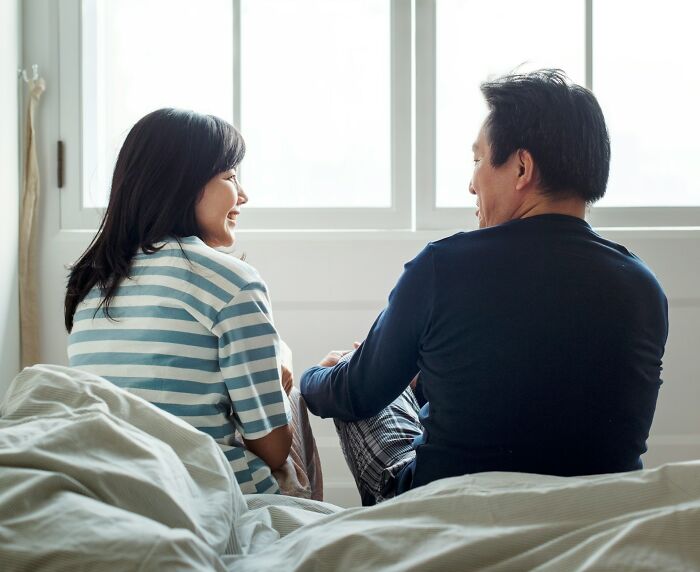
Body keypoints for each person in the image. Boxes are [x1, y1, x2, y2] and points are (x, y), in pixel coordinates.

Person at [300, 69, 669, 506]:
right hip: (597, 512)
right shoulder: (643, 286)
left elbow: (357, 391)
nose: (471, 183)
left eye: (477, 160)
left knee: (352, 374)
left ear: (521, 167)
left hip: (448, 507)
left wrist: (312, 379)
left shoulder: (443, 266)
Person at [65, 108, 321, 498]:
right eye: (231, 177)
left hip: (112, 483)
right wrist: (281, 364)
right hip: (209, 489)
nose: (244, 195)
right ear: (181, 185)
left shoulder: (94, 282)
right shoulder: (233, 283)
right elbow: (272, 449)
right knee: (294, 397)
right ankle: (308, 532)